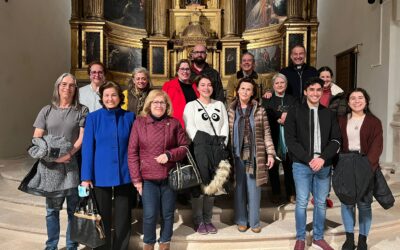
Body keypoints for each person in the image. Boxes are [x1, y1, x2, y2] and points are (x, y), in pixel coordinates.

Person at [32, 73, 88, 250]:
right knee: (51, 211)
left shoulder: (82, 110)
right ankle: (51, 246)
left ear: (75, 89)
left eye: (71, 85)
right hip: (50, 167)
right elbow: (37, 137)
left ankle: (72, 246)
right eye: (64, 84)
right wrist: (52, 156)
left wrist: (68, 155)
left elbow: (81, 139)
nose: (67, 88)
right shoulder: (46, 110)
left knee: (73, 210)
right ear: (58, 87)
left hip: (71, 166)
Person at [284, 77, 341, 250]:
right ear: (305, 92)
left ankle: (318, 237)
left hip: (323, 165)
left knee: (321, 202)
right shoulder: (294, 112)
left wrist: (322, 158)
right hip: (302, 165)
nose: (315, 93)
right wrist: (309, 159)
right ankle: (300, 238)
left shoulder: (328, 113)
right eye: (312, 89)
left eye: (318, 90)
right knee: (301, 201)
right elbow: (290, 141)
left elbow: (336, 139)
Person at [128, 89, 188, 250]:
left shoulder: (174, 123)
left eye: (162, 102)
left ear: (167, 105)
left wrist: (169, 155)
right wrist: (136, 180)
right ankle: (148, 244)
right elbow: (132, 153)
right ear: (149, 104)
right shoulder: (139, 123)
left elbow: (184, 147)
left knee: (168, 215)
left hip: (169, 177)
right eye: (155, 102)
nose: (159, 105)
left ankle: (164, 243)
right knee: (149, 215)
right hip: (148, 179)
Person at [81, 81, 135, 250]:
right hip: (100, 174)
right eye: (106, 95)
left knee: (123, 217)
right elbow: (88, 149)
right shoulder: (92, 118)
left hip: (125, 173)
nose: (110, 98)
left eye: (114, 95)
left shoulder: (130, 117)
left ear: (120, 97)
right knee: (101, 216)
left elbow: (134, 147)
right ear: (101, 97)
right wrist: (85, 177)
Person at [228, 77, 275, 234]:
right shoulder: (230, 110)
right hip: (236, 156)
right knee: (239, 189)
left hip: (255, 156)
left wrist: (270, 153)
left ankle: (254, 221)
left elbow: (266, 133)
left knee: (255, 189)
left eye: (249, 89)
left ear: (253, 92)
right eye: (242, 88)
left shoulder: (260, 110)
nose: (245, 91)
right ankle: (241, 220)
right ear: (237, 90)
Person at [183, 75, 230, 235]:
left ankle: (208, 219)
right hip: (200, 146)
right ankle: (198, 220)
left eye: (209, 84)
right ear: (197, 88)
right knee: (200, 183)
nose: (206, 88)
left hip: (217, 146)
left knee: (214, 183)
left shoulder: (219, 105)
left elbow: (224, 125)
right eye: (203, 85)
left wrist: (222, 143)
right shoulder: (191, 105)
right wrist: (202, 140)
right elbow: (190, 126)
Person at [337, 88, 383, 250]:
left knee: (364, 204)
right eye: (353, 98)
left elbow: (376, 148)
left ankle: (363, 239)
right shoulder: (342, 120)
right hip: (346, 164)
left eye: (360, 98)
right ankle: (349, 238)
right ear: (348, 102)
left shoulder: (374, 122)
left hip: (366, 164)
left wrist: (367, 168)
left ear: (366, 100)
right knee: (347, 203)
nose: (357, 101)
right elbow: (336, 143)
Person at [262, 73, 298, 204]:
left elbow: (297, 113)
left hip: (289, 138)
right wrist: (278, 117)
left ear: (286, 84)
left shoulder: (292, 99)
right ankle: (276, 193)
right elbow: (265, 115)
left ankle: (291, 193)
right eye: (276, 83)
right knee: (273, 168)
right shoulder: (267, 99)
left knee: (289, 166)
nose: (279, 85)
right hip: (274, 136)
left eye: (282, 82)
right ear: (273, 86)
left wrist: (288, 117)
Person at [162, 59, 199, 128]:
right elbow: (163, 105)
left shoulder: (195, 86)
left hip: (194, 125)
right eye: (182, 69)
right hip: (175, 125)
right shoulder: (168, 85)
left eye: (187, 69)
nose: (185, 71)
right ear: (177, 71)